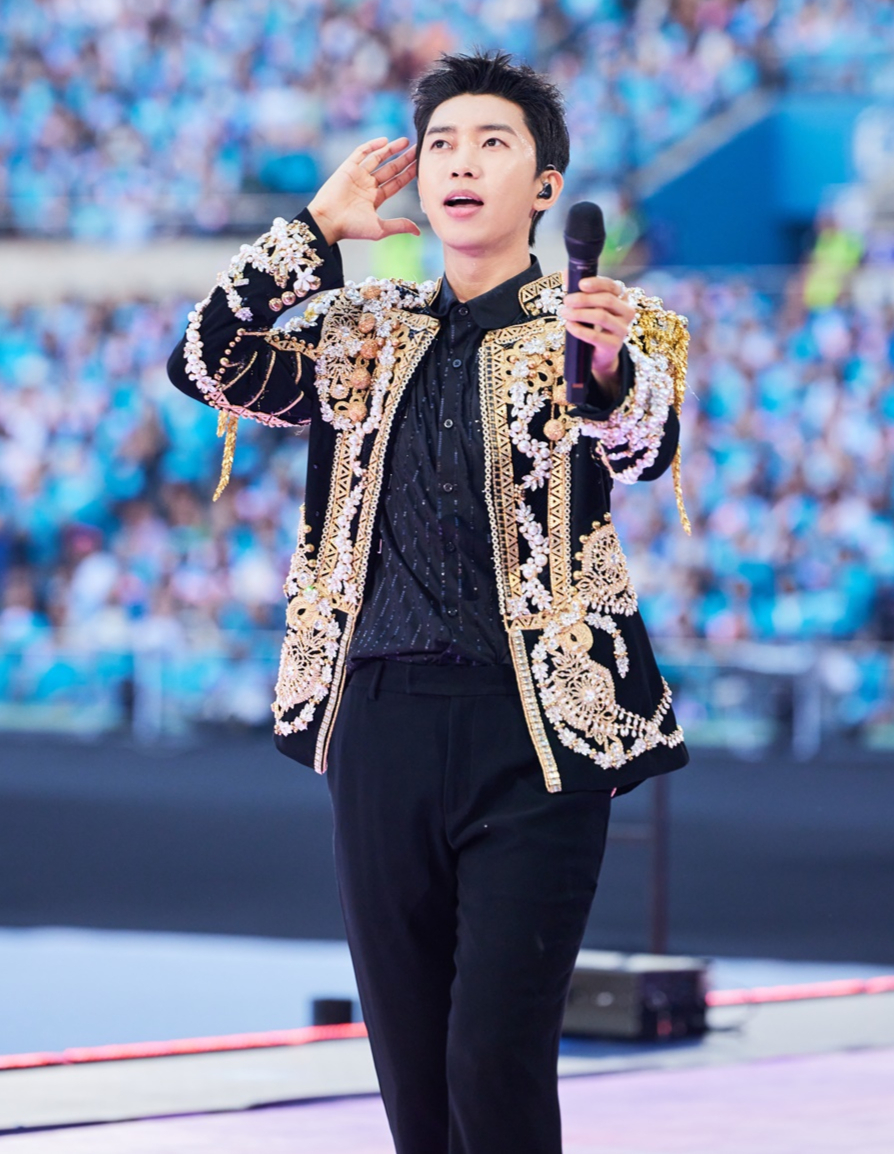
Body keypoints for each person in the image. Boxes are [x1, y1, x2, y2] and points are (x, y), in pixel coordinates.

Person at [168, 49, 690, 1154]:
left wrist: (603, 373)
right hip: (379, 727)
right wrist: (313, 230)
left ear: (545, 186)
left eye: (493, 143)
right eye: (442, 143)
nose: (460, 163)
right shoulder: (363, 329)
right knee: (411, 1075)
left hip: (539, 737)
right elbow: (205, 360)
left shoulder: (601, 324)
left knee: (492, 1061)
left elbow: (641, 439)